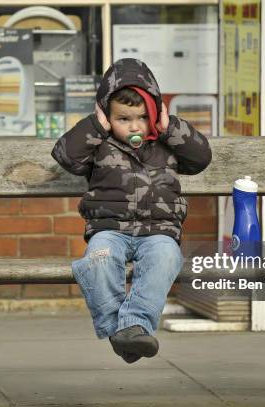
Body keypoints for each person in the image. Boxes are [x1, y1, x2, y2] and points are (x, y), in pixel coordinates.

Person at [51, 58, 212, 363]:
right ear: (106, 115)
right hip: (109, 230)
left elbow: (201, 158)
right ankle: (123, 332)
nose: (135, 126)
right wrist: (95, 126)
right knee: (97, 261)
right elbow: (65, 156)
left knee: (166, 258)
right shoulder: (99, 143)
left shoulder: (168, 142)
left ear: (155, 114)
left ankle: (135, 323)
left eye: (142, 117)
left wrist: (169, 127)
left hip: (159, 231)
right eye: (123, 119)